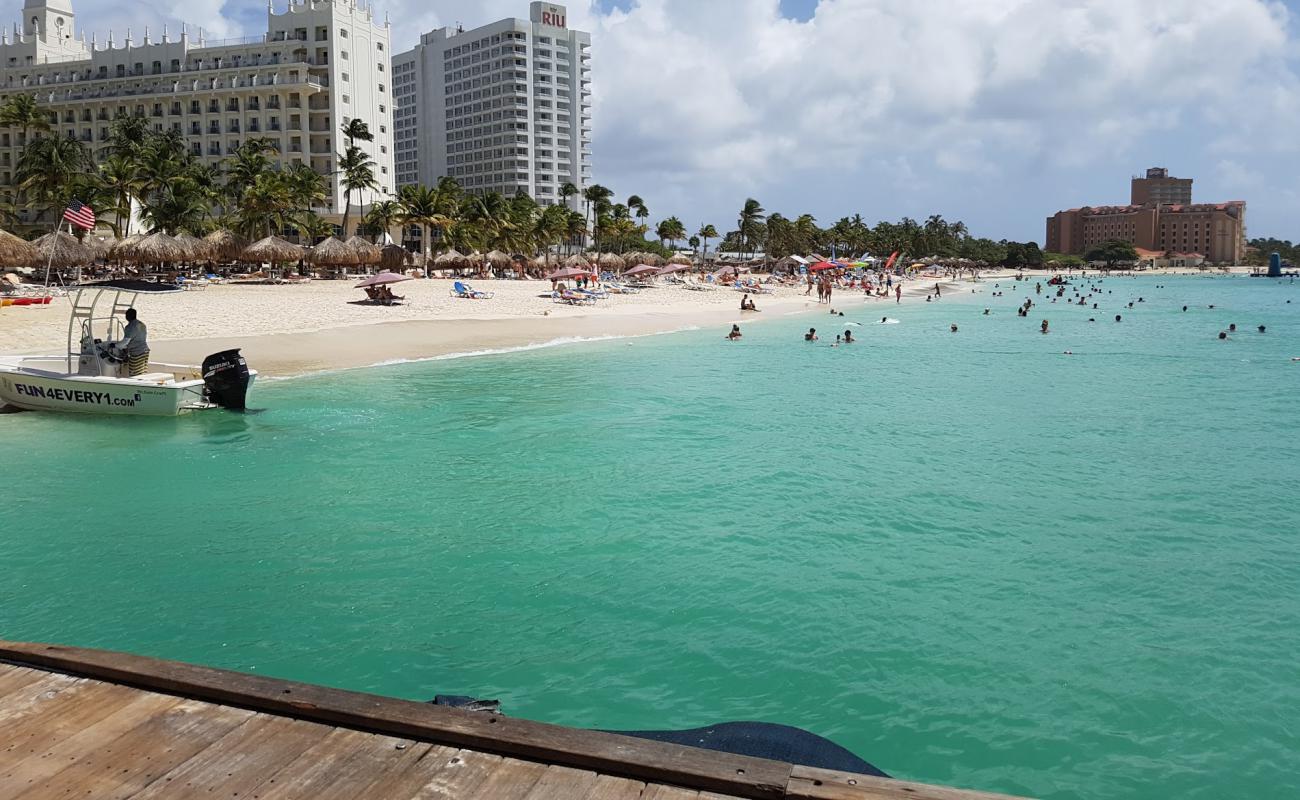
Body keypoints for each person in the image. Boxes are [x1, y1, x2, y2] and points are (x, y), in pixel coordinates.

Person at [118, 308, 149, 377]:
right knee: (142, 373)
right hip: (145, 351)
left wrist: (115, 346)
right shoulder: (141, 324)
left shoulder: (130, 327)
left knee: (135, 374)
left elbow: (125, 342)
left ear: (128, 316)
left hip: (137, 353)